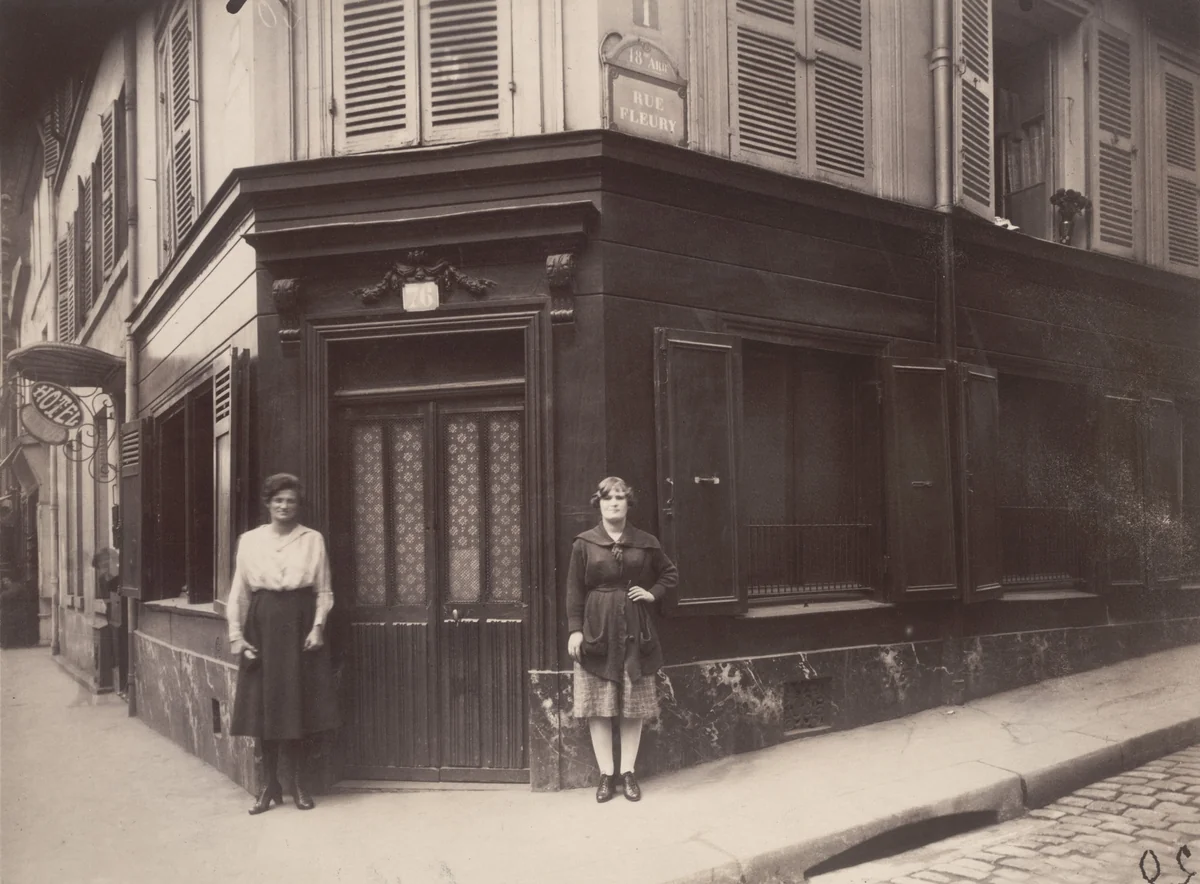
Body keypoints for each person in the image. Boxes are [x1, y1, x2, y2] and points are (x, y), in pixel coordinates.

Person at [227, 474, 340, 814]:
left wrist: (318, 627)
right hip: (262, 624)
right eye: (278, 500)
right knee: (264, 706)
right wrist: (237, 635)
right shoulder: (250, 541)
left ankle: (299, 784)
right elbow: (240, 591)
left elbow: (323, 589)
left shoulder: (312, 539)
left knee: (299, 705)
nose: (284, 506)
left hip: (300, 624)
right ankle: (268, 786)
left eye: (290, 500)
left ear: (298, 505)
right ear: (268, 503)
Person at [567, 476, 677, 802]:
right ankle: (606, 774)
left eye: (619, 498)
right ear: (598, 504)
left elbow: (669, 573)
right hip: (596, 628)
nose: (614, 503)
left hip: (634, 629)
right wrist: (575, 630)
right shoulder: (584, 543)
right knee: (598, 705)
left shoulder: (645, 542)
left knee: (633, 705)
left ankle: (628, 772)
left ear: (628, 503)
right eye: (607, 498)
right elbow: (574, 589)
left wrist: (652, 593)